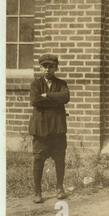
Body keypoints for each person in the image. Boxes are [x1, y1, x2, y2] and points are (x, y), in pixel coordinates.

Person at [29, 54, 70, 204]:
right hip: (41, 129)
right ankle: (37, 192)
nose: (47, 69)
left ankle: (60, 188)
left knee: (60, 159)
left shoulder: (62, 83)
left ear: (56, 68)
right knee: (38, 160)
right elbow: (35, 100)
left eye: (51, 66)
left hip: (57, 129)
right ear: (41, 67)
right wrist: (54, 99)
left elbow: (65, 97)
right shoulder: (35, 84)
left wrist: (46, 96)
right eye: (45, 66)